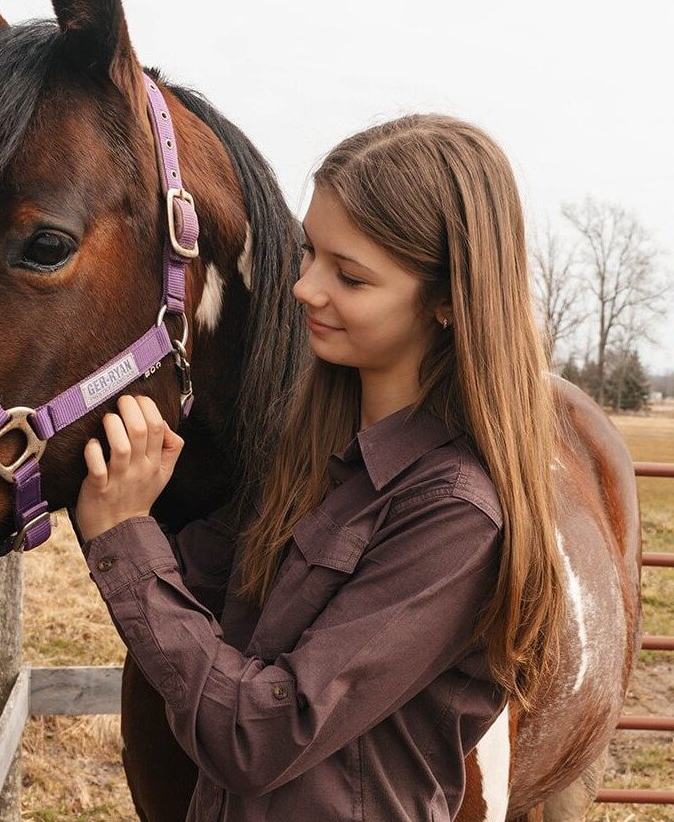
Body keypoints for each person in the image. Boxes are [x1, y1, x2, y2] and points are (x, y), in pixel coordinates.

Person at [75, 114, 565, 822]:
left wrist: (124, 535)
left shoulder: (455, 516)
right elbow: (190, 592)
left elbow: (261, 736)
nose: (303, 288)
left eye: (351, 276)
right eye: (309, 254)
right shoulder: (312, 456)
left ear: (449, 301)